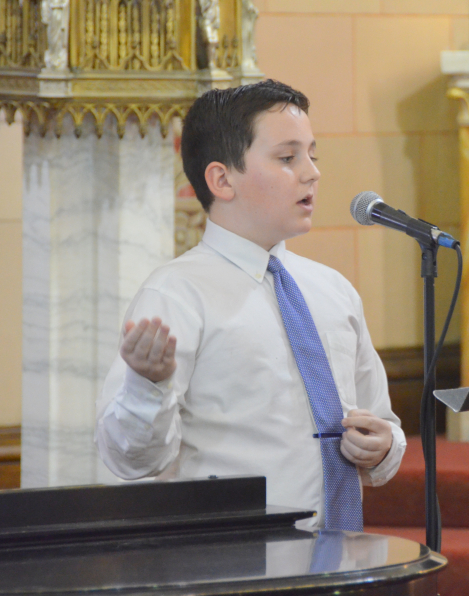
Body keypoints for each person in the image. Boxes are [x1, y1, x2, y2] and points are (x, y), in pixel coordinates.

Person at [95, 80, 406, 530]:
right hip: (236, 560)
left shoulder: (332, 290)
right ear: (222, 179)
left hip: (341, 557)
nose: (312, 173)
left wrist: (383, 446)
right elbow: (129, 460)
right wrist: (147, 386)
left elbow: (382, 421)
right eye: (287, 158)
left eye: (312, 155)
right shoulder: (176, 294)